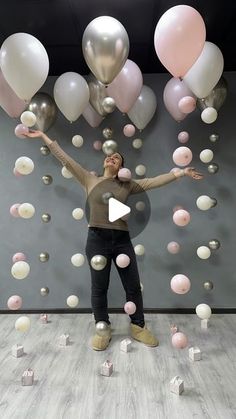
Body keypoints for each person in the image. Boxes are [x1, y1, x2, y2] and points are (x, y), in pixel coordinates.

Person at [24, 130, 203, 351]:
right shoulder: (90, 180)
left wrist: (181, 172)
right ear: (104, 162)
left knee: (133, 286)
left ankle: (138, 326)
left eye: (117, 158)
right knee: (99, 287)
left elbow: (154, 181)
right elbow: (67, 160)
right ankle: (103, 327)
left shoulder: (126, 185)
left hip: (121, 240)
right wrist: (43, 136)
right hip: (96, 239)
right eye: (110, 156)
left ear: (121, 168)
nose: (112, 157)